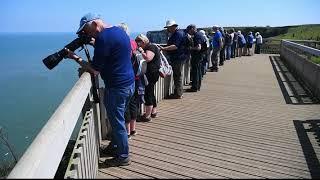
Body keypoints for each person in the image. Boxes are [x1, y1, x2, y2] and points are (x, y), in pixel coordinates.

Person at [65, 13, 134, 167]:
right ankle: (115, 147)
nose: (87, 33)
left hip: (116, 87)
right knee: (119, 119)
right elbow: (112, 51)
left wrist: (74, 57)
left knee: (117, 123)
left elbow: (95, 70)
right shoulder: (119, 31)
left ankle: (123, 156)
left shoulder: (103, 38)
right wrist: (96, 44)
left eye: (87, 29)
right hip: (129, 84)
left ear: (95, 23)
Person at [118, 23, 140, 139]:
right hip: (135, 77)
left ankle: (126, 132)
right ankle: (133, 130)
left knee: (125, 106)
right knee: (132, 103)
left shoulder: (123, 43)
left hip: (125, 78)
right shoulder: (133, 42)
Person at [135, 34, 161, 122]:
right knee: (151, 92)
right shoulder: (150, 46)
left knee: (148, 94)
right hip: (152, 73)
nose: (138, 44)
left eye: (139, 42)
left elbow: (148, 58)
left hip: (151, 74)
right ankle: (153, 112)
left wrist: (141, 51)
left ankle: (147, 116)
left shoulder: (151, 47)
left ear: (143, 41)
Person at [159, 20, 187, 99]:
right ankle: (178, 92)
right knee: (177, 75)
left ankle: (178, 93)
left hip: (178, 57)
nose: (167, 29)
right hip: (179, 56)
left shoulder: (177, 34)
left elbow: (175, 46)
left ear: (173, 27)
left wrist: (164, 48)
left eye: (168, 27)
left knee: (177, 75)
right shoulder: (178, 33)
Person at [186, 24, 205, 92]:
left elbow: (198, 47)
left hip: (197, 56)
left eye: (189, 30)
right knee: (198, 71)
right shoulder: (200, 34)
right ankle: (197, 86)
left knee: (196, 71)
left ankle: (195, 87)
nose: (188, 32)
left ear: (192, 29)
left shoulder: (197, 36)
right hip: (200, 56)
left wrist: (190, 48)